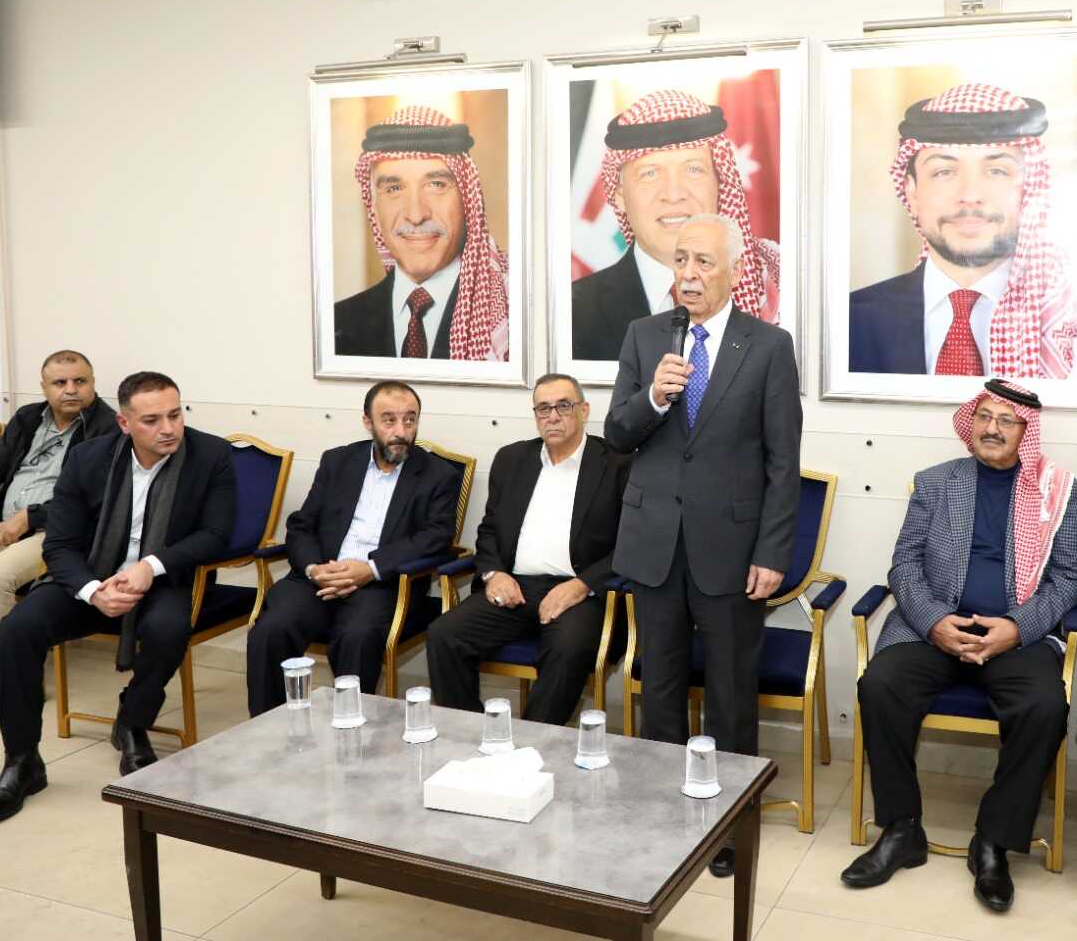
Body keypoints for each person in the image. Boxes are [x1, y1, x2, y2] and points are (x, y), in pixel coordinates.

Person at [840, 380, 1077, 912]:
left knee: (1045, 706)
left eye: (1006, 420)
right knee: (880, 685)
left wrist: (1016, 627)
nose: (992, 428)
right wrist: (935, 622)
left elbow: (1071, 577)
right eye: (984, 417)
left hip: (1014, 637)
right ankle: (902, 829)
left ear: (1026, 431)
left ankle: (993, 841)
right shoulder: (936, 482)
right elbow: (904, 565)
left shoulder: (1056, 491)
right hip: (932, 631)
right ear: (970, 422)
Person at [604, 212, 801, 877]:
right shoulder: (644, 335)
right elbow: (617, 434)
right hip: (655, 542)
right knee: (659, 684)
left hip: (733, 548)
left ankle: (727, 823)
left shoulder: (768, 346)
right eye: (681, 260)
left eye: (703, 263)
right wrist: (654, 399)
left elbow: (783, 462)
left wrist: (772, 552)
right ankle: (664, 815)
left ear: (735, 271)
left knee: (729, 691)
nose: (687, 274)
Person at [0, 372, 236, 825]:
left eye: (175, 415)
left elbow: (215, 534)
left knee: (168, 628)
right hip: (92, 577)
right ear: (124, 423)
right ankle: (22, 761)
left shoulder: (210, 455)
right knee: (17, 630)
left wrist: (149, 566)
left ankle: (133, 721)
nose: (169, 428)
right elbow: (60, 544)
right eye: (152, 420)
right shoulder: (87, 459)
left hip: (162, 579)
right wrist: (93, 591)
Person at [244, 381, 459, 715]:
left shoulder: (438, 474)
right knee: (272, 630)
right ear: (367, 422)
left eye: (409, 420)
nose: (401, 431)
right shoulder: (338, 461)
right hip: (320, 576)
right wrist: (315, 569)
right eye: (389, 420)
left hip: (381, 583)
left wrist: (370, 569)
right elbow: (301, 524)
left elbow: (436, 536)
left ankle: (351, 728)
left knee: (357, 636)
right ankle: (267, 729)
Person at [425, 373, 628, 723]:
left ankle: (532, 744)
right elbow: (488, 530)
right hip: (515, 588)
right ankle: (470, 735)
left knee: (568, 649)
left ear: (584, 410)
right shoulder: (512, 459)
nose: (553, 416)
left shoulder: (617, 463)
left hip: (581, 593)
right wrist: (494, 574)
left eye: (563, 406)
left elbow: (631, 544)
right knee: (444, 635)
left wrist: (581, 586)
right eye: (543, 408)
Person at [848, 83, 1077, 379]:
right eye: (944, 172)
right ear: (912, 192)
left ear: (1029, 189)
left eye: (997, 171)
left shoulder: (1074, 328)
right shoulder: (851, 320)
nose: (970, 195)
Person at [571, 90, 780, 361]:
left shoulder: (774, 288)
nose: (673, 194)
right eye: (650, 173)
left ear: (720, 182)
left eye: (693, 169)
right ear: (619, 195)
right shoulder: (575, 311)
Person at [0, 350, 116, 713]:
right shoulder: (28, 418)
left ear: (93, 384)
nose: (71, 389)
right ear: (44, 387)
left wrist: (31, 517)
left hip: (59, 534)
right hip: (2, 525)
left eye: (80, 381)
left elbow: (94, 499)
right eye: (60, 382)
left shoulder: (108, 428)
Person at [334, 105, 511, 361]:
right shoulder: (339, 322)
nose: (416, 215)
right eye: (394, 189)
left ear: (467, 200)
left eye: (436, 185)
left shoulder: (511, 311)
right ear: (373, 206)